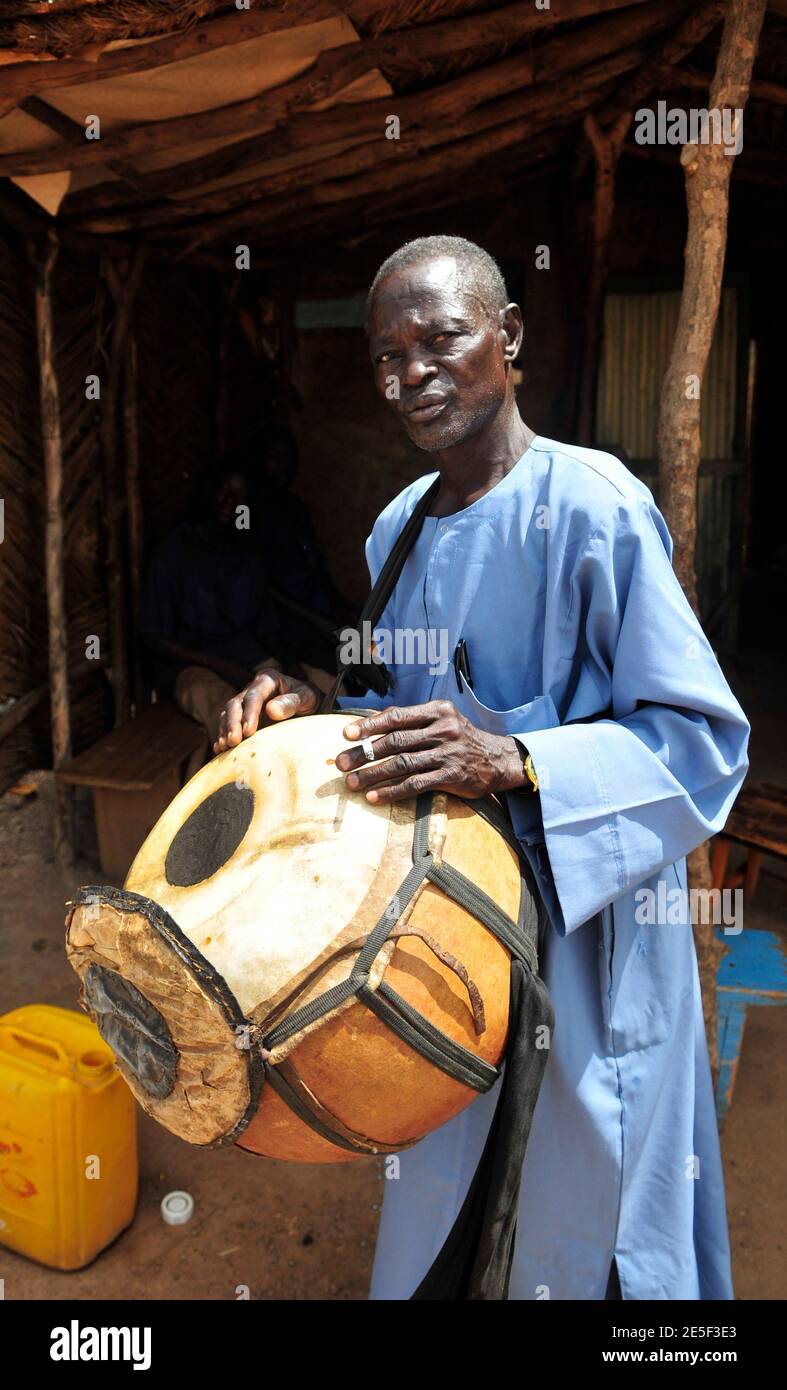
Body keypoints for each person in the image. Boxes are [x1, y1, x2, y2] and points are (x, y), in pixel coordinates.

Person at [213, 235, 750, 1301]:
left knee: (591, 1223)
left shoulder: (595, 508)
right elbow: (376, 709)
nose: (411, 374)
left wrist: (513, 758)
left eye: (441, 339)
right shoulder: (395, 534)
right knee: (450, 1199)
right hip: (447, 944)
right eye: (384, 357)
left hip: (586, 955)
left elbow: (700, 741)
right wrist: (302, 705)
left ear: (505, 339)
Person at [139, 464, 283, 748]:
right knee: (230, 713)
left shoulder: (246, 552)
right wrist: (218, 665)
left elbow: (267, 625)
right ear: (209, 493)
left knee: (311, 694)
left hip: (246, 658)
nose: (230, 502)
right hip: (189, 666)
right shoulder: (175, 550)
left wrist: (289, 669)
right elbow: (152, 636)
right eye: (224, 491)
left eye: (240, 496)